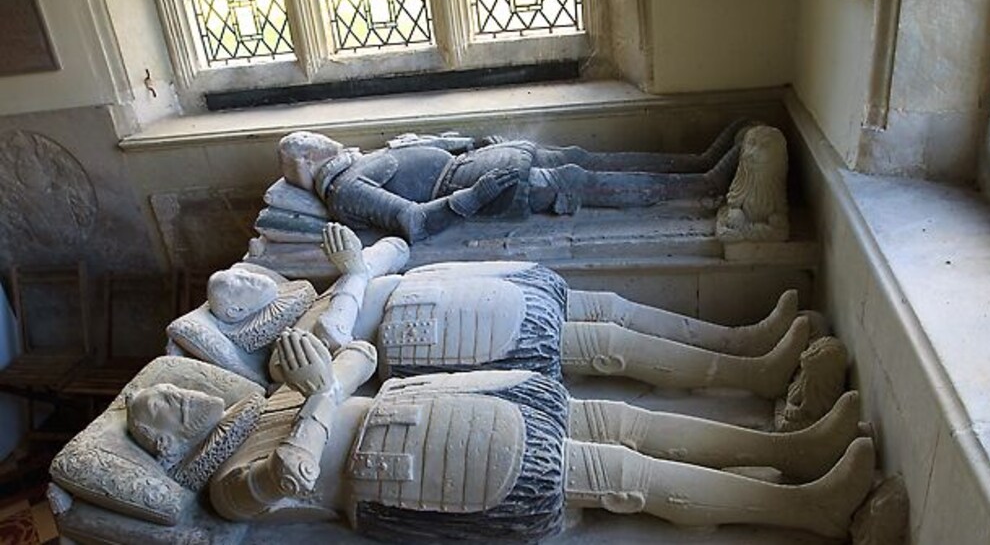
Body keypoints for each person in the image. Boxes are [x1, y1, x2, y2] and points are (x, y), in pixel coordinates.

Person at [127, 331, 875, 541]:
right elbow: (289, 478)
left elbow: (362, 358)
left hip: (448, 408)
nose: (171, 392)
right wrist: (322, 388)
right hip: (423, 468)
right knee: (619, 472)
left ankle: (791, 452)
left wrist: (326, 372)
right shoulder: (225, 478)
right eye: (156, 406)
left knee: (628, 423)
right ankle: (809, 508)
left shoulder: (260, 405)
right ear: (165, 446)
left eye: (164, 384)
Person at [168, 223, 824, 400]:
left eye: (244, 273)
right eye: (240, 287)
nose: (249, 276)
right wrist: (356, 271)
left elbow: (398, 246)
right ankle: (752, 378)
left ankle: (744, 342)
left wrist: (360, 265)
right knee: (607, 347)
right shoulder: (302, 337)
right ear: (245, 319)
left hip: (472, 291)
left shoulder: (321, 290)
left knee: (615, 309)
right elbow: (348, 345)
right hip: (451, 338)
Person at [275, 121, 760, 242]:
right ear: (311, 159)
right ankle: (706, 187)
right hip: (466, 184)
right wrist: (475, 196)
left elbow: (424, 149)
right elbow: (414, 221)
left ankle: (695, 163)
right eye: (315, 144)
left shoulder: (357, 161)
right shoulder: (345, 191)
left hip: (474, 158)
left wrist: (471, 142)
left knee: (576, 155)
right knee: (575, 180)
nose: (326, 142)